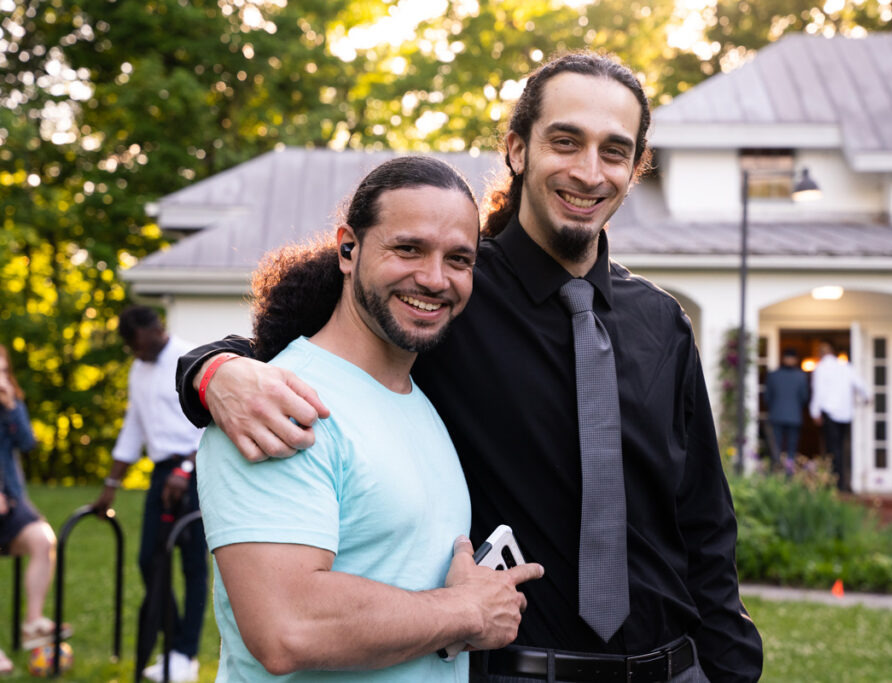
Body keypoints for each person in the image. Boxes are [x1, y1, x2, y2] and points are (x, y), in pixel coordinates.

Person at [177, 52, 763, 682]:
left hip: (671, 670)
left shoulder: (662, 324)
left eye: (614, 151)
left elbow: (704, 523)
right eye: (565, 142)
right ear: (517, 148)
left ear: (634, 169)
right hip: (511, 668)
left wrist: (730, 670)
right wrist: (212, 372)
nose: (589, 172)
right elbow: (322, 340)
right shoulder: (450, 292)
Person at [197, 155, 544, 681]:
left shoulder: (422, 401)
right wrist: (467, 610)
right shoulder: (277, 402)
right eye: (408, 249)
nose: (434, 278)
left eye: (459, 260)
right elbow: (286, 626)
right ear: (348, 248)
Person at [91, 307, 208, 683]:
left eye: (136, 344)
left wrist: (185, 469)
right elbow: (133, 428)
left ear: (155, 330)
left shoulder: (192, 359)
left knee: (192, 566)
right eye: (129, 347)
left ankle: (185, 657)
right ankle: (171, 645)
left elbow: (213, 423)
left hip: (197, 468)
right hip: (161, 474)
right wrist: (110, 486)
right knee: (149, 561)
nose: (134, 352)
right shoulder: (137, 371)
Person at [1, 344, 72, 676]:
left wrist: (11, 404)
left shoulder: (10, 404)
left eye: (3, 371)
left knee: (43, 541)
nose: (0, 378)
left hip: (12, 503)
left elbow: (28, 443)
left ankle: (32, 623)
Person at [809, 341, 870, 492]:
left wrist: (814, 412)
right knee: (843, 448)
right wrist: (867, 396)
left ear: (820, 354)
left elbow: (818, 391)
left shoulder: (821, 368)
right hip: (846, 413)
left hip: (830, 413)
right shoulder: (845, 366)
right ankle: (844, 481)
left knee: (832, 449)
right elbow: (861, 384)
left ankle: (835, 483)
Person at [763, 348, 809, 472]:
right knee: (791, 449)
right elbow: (804, 397)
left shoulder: (773, 375)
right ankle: (788, 474)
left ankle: (776, 473)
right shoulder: (801, 376)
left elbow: (767, 398)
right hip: (794, 416)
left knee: (776, 447)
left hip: (777, 415)